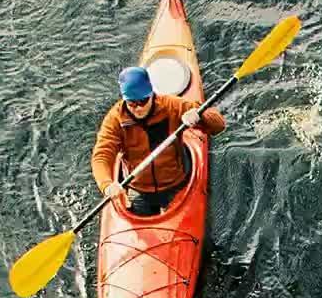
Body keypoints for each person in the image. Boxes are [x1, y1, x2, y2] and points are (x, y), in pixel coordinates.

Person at [89, 65, 226, 217]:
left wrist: (201, 117)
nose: (138, 108)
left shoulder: (172, 105)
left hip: (175, 182)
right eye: (132, 103)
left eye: (143, 101)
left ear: (151, 95)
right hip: (139, 188)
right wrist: (107, 185)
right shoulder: (115, 119)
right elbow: (101, 156)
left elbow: (219, 125)